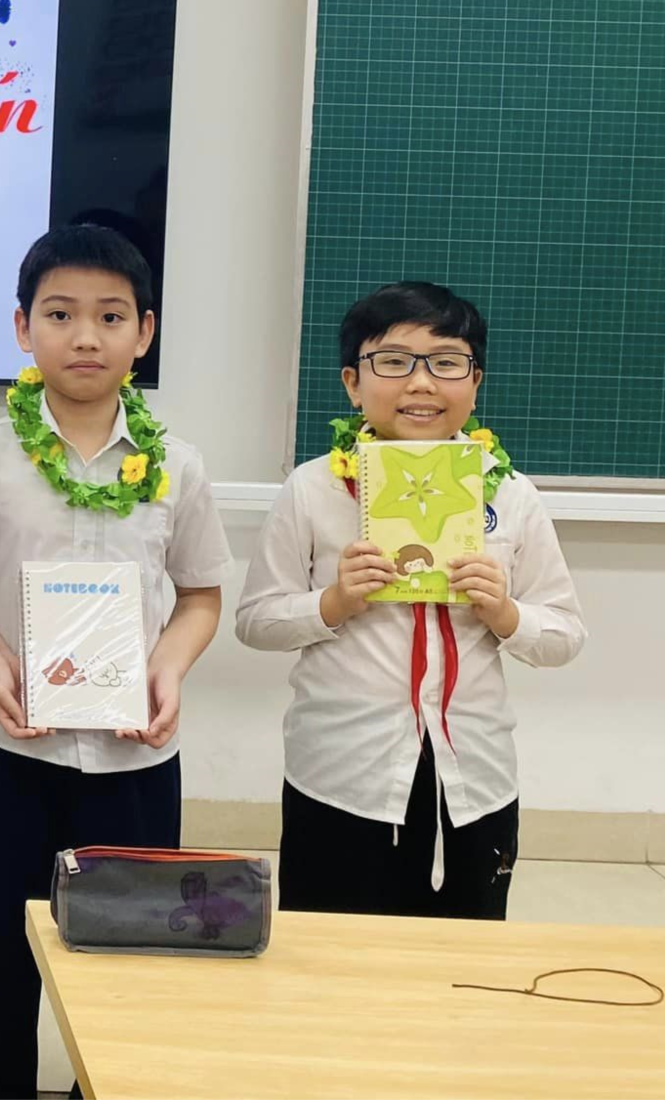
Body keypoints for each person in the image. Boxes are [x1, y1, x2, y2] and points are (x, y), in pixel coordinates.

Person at [0, 225, 230, 1100]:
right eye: (59, 314)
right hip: (6, 747)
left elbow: (201, 594)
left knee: (132, 963)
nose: (85, 336)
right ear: (23, 327)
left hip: (133, 756)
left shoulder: (178, 466)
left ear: (145, 331)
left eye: (110, 316)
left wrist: (169, 666)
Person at [236, 281, 587, 917]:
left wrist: (504, 614)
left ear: (475, 383)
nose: (421, 383)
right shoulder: (313, 490)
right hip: (342, 776)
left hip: (473, 778)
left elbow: (564, 635)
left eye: (446, 362)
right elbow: (256, 621)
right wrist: (334, 602)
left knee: (463, 958)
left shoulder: (512, 495)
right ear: (352, 383)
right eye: (393, 361)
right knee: (332, 956)